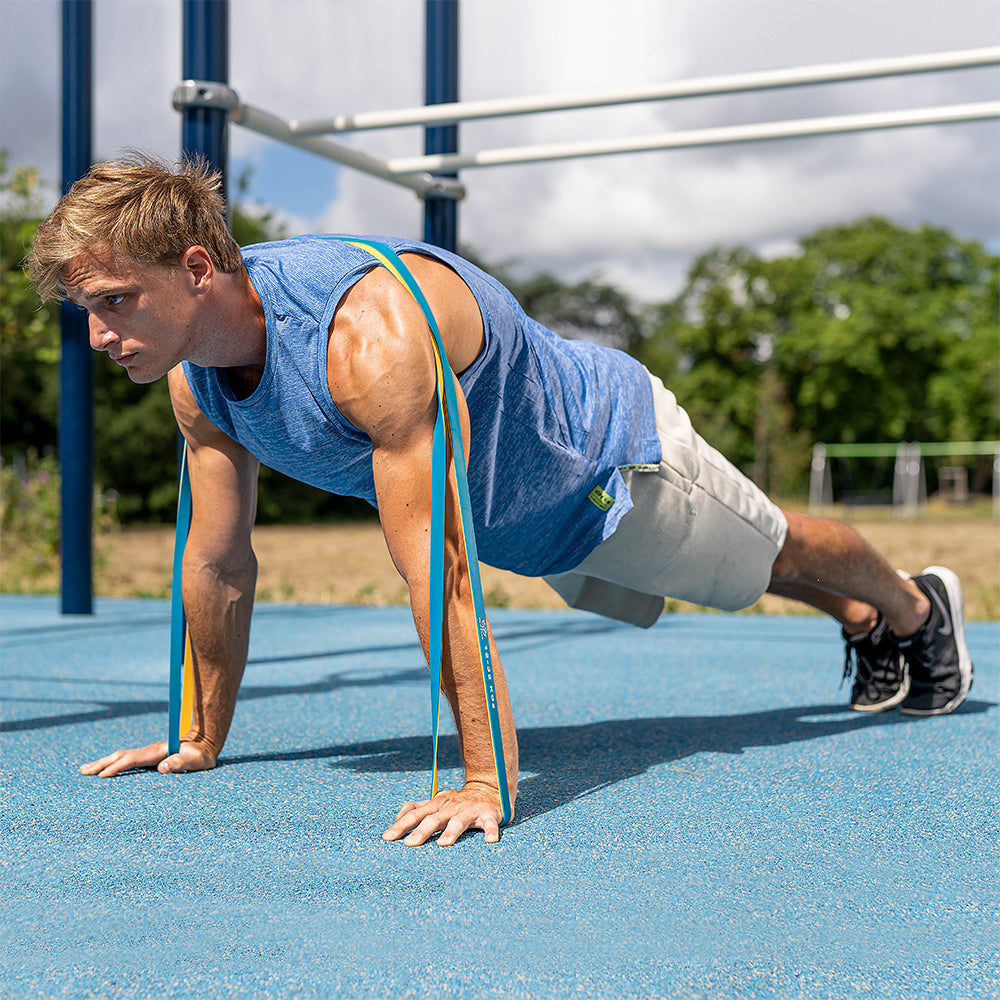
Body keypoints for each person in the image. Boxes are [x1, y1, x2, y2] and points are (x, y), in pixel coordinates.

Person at [27, 153, 974, 846]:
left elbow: (431, 567)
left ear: (196, 267)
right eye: (88, 312)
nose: (101, 333)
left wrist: (485, 782)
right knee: (739, 581)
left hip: (612, 465)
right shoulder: (198, 379)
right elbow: (218, 560)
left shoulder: (367, 340)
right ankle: (866, 620)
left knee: (770, 554)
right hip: (529, 523)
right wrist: (199, 736)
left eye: (115, 300)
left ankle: (915, 607)